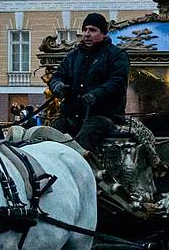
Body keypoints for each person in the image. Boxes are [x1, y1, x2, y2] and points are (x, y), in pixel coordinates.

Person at [47, 13, 130, 155]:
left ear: (103, 33)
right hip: (71, 115)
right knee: (49, 136)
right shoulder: (73, 56)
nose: (86, 34)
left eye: (92, 30)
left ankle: (87, 172)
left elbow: (117, 82)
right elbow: (57, 76)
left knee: (82, 142)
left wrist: (96, 95)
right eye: (85, 29)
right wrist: (57, 86)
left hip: (103, 116)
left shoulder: (116, 55)